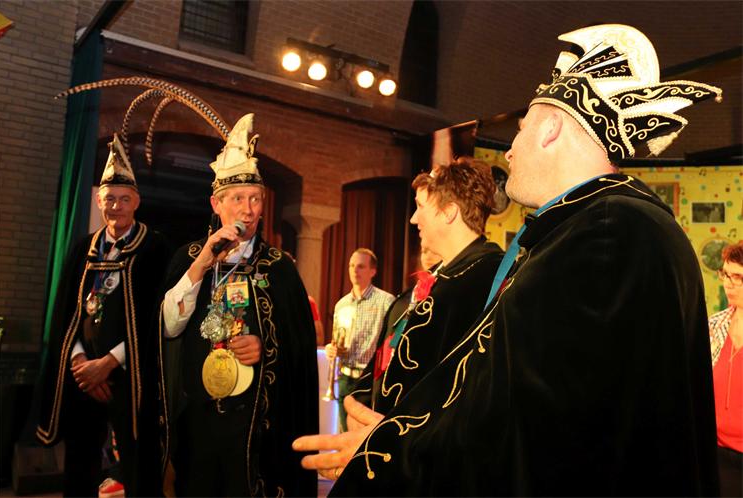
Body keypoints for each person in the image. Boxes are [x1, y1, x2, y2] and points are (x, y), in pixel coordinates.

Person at [295, 24, 722, 496]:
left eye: (519, 132)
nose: (511, 151)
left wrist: (396, 450)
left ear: (552, 128)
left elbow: (531, 420)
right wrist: (403, 435)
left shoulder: (605, 233)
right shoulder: (607, 226)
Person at [160, 113, 318, 497]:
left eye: (255, 199)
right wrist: (202, 264)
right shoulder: (189, 258)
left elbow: (300, 351)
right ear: (216, 204)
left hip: (257, 427)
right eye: (237, 199)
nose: (248, 210)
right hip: (197, 420)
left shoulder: (279, 268)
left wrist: (266, 347)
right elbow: (167, 326)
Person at [36, 135, 169, 497]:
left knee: (138, 465)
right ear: (98, 201)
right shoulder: (84, 247)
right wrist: (81, 362)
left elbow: (155, 318)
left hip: (130, 376)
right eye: (109, 199)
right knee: (80, 462)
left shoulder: (155, 248)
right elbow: (67, 312)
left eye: (124, 199)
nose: (116, 207)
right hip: (84, 376)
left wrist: (108, 363)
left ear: (137, 202)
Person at [350, 159, 504, 417]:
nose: (413, 219)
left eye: (421, 206)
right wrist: (359, 404)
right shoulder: (436, 279)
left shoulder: (488, 280)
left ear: (449, 212)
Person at [325, 248, 394, 431]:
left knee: (365, 435)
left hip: (369, 380)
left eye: (361, 266)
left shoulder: (386, 302)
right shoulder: (341, 304)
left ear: (373, 271)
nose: (355, 270)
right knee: (345, 433)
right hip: (345, 378)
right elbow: (337, 339)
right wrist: (331, 349)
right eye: (351, 265)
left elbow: (391, 343)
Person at [708, 241, 743, 497]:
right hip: (716, 452)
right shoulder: (714, 326)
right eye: (726, 275)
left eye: (738, 277)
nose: (728, 284)